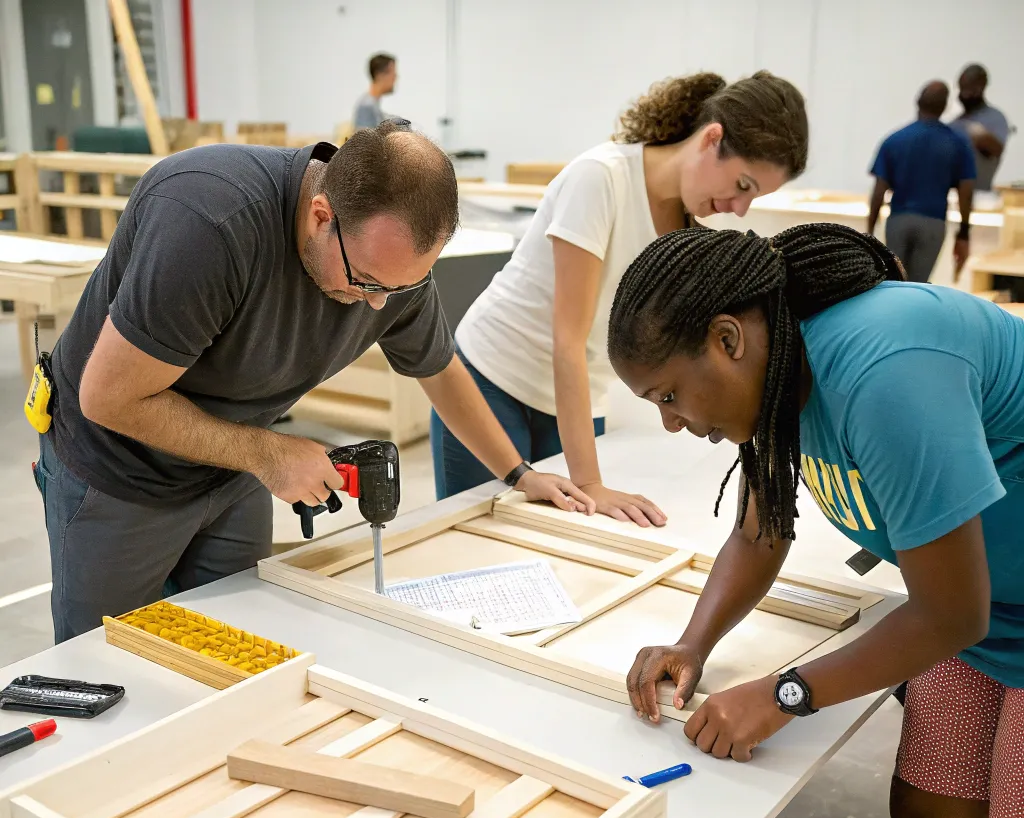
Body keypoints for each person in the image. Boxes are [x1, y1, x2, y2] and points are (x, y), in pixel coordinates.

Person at [607, 223, 1023, 818]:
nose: (667, 422)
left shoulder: (884, 372)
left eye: (666, 395)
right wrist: (694, 645)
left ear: (727, 338)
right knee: (931, 817)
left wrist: (787, 692)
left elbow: (949, 611)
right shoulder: (777, 372)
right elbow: (762, 531)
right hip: (984, 606)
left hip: (969, 605)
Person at [38, 121, 593, 643]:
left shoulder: (388, 268)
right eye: (367, 281)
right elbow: (109, 398)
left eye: (400, 288)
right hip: (118, 469)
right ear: (320, 215)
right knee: (109, 670)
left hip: (231, 468)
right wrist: (268, 452)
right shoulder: (209, 221)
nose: (378, 304)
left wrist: (517, 473)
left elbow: (439, 369)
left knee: (236, 642)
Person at [431, 71, 808, 526]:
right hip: (491, 379)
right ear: (712, 139)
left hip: (575, 399)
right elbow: (567, 339)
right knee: (477, 540)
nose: (739, 208)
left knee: (569, 544)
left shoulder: (688, 233)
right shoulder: (602, 179)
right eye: (743, 185)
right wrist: (590, 484)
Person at [867, 80, 975, 282]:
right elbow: (966, 192)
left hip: (899, 219)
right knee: (918, 285)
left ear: (917, 102)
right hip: (933, 221)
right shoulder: (958, 143)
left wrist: (869, 232)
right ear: (944, 107)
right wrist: (964, 233)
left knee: (893, 282)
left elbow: (878, 191)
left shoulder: (894, 140)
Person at [949, 64, 1013, 193]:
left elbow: (996, 149)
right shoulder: (956, 122)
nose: (964, 94)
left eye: (969, 89)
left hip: (979, 194)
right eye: (962, 88)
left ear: (981, 87)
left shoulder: (995, 118)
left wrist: (973, 133)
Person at [353, 54, 397, 130]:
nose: (395, 78)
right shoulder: (367, 106)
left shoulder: (372, 104)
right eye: (393, 74)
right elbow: (363, 140)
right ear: (380, 75)